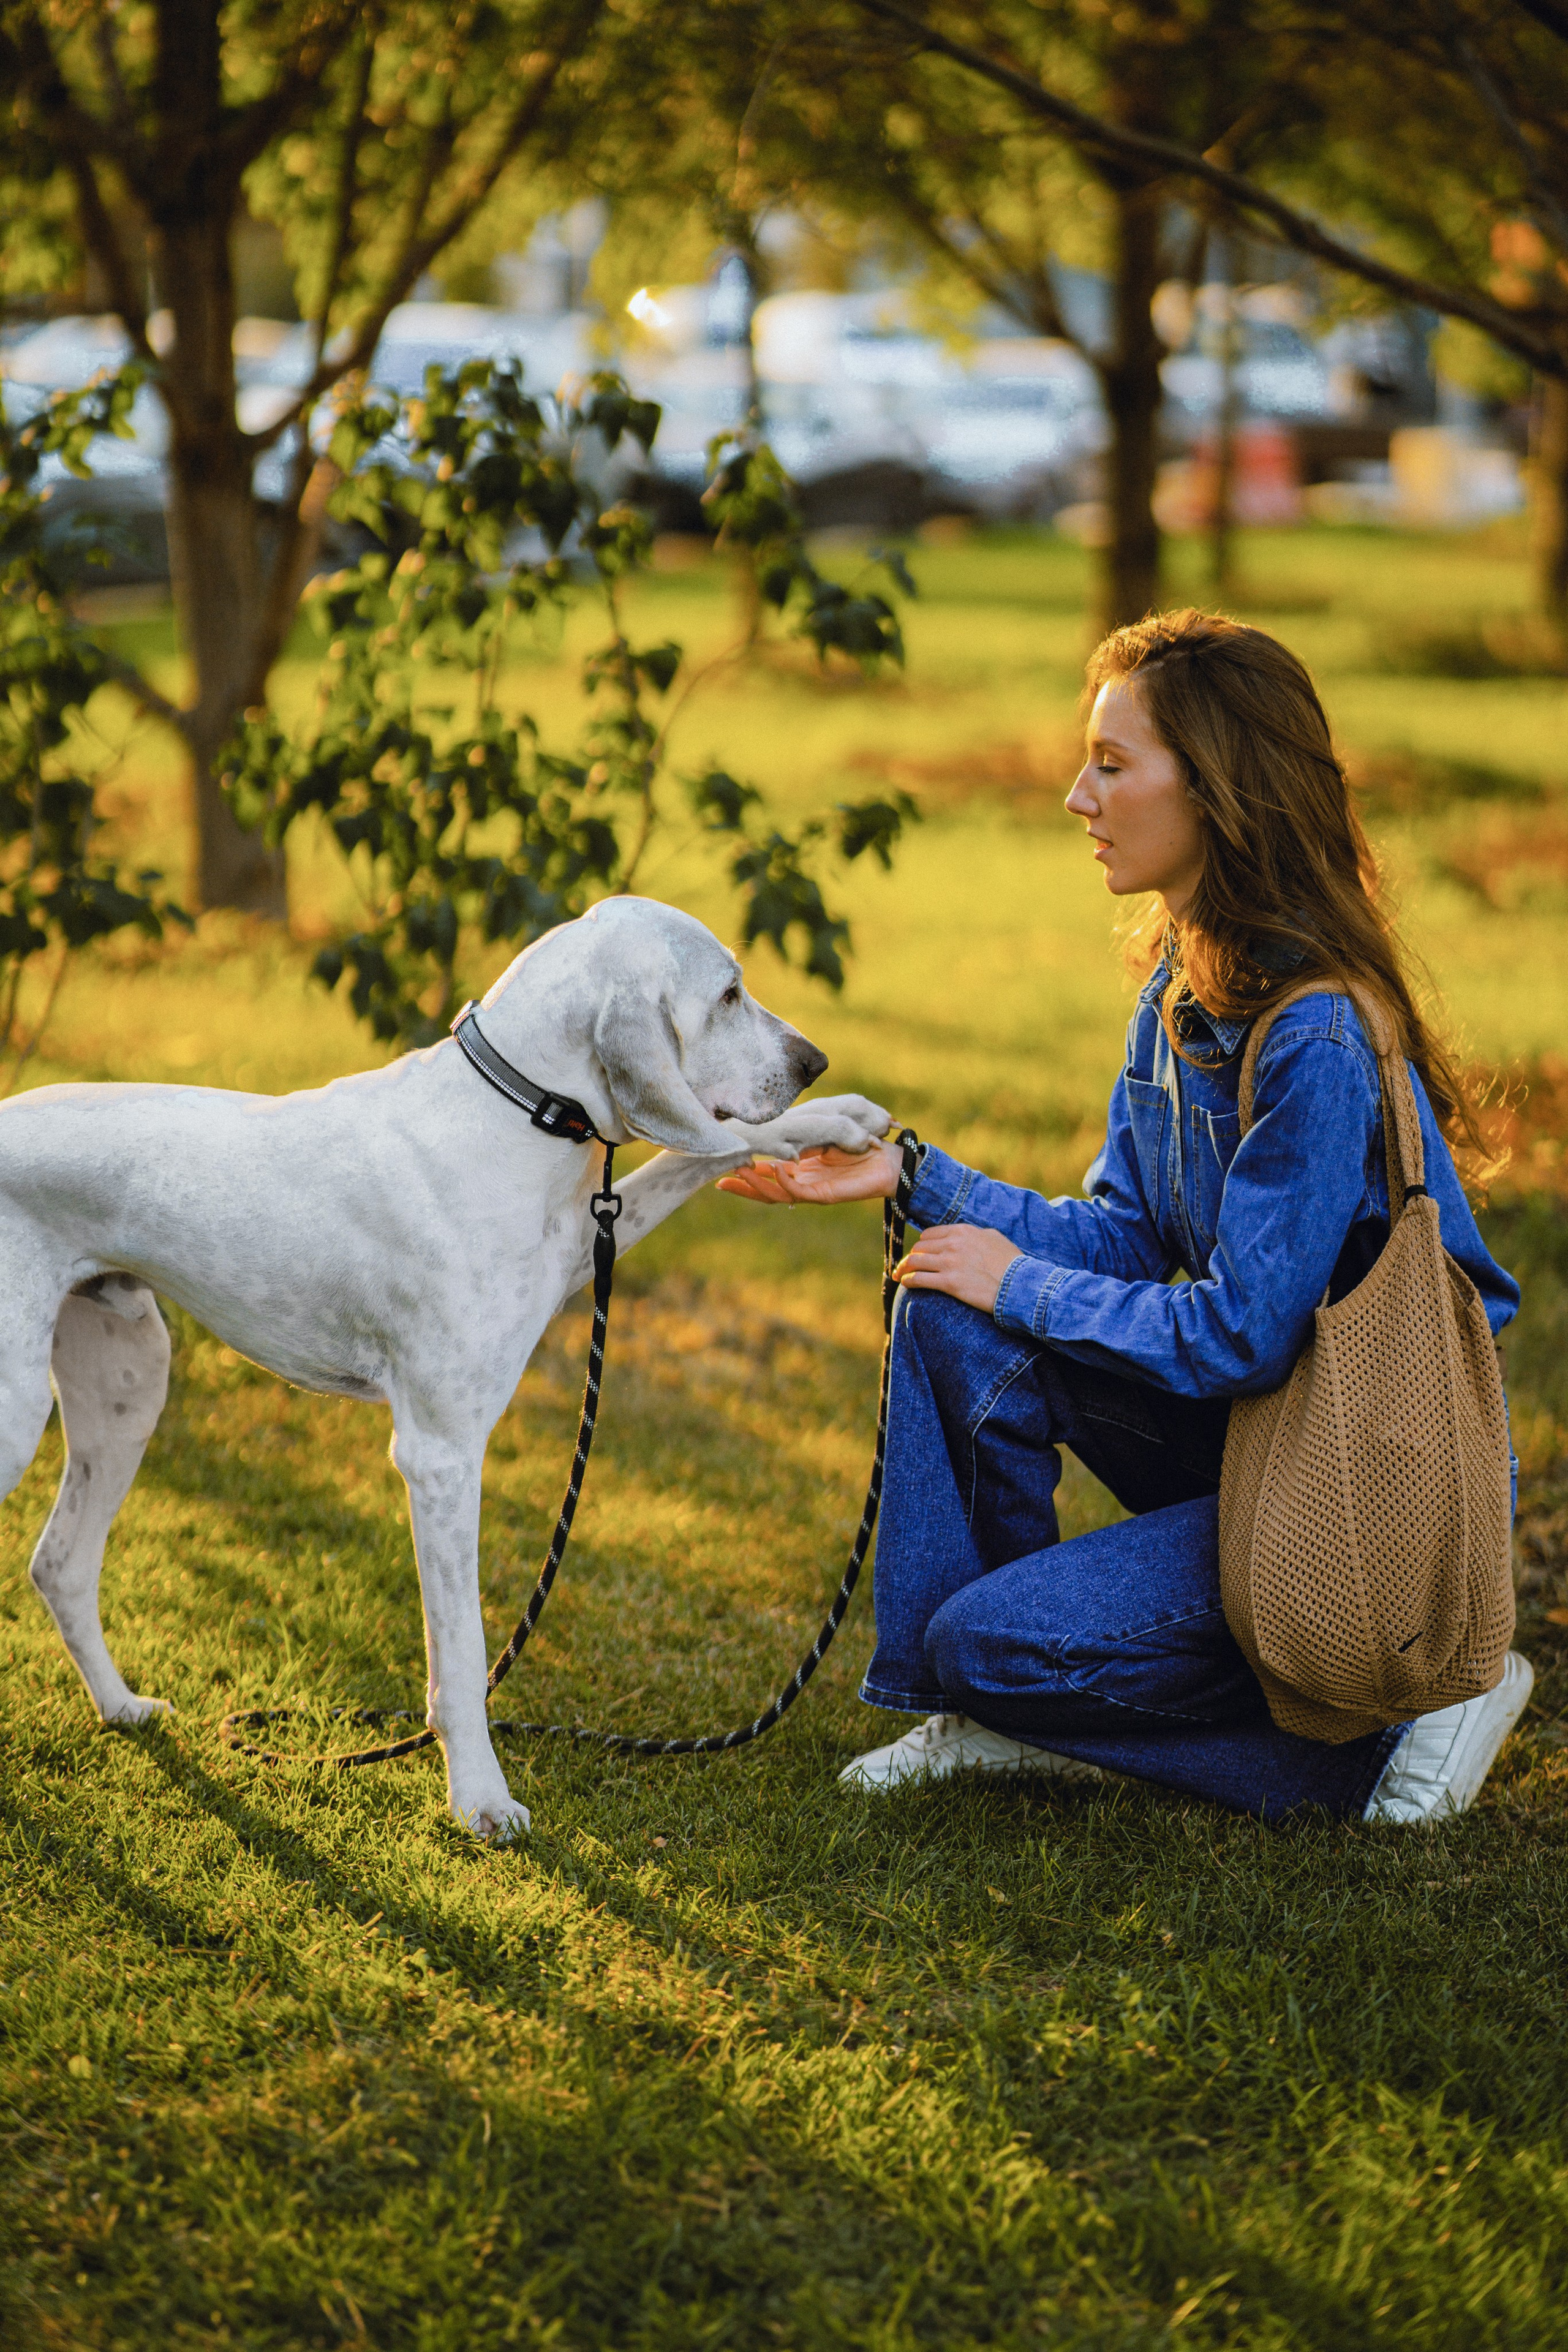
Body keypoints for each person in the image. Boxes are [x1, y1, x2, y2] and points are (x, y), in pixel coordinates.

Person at [720, 609, 1532, 1825]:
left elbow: (1237, 1336)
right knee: (948, 1308)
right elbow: (1127, 1234)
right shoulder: (1179, 977)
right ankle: (981, 1713)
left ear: (1215, 790)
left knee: (995, 1638)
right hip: (1246, 1436)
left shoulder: (1309, 1036)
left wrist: (1020, 1283)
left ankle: (1379, 1741)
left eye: (1111, 765)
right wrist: (911, 1180)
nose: (1073, 797)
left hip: (1355, 1487)